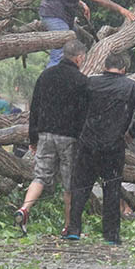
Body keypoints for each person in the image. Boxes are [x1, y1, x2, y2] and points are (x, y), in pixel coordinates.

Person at [64, 51, 135, 245]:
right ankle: (111, 235)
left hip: (87, 143)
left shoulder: (89, 82)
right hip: (114, 145)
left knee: (81, 187)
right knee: (112, 187)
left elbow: (73, 107)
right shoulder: (131, 86)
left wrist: (80, 131)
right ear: (124, 69)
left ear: (104, 66)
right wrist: (131, 133)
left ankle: (74, 229)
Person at [14, 40, 89, 235]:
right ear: (79, 57)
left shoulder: (45, 76)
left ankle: (24, 209)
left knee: (40, 177)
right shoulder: (81, 81)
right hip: (69, 137)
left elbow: (35, 107)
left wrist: (33, 138)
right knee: (69, 184)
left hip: (45, 134)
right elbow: (84, 114)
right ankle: (69, 227)